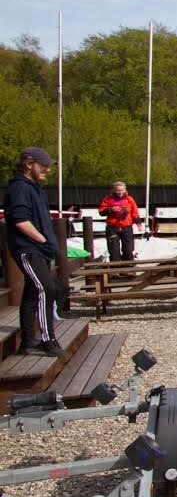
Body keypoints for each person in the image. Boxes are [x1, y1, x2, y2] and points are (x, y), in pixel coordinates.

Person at [4, 147, 64, 357]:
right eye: (44, 166)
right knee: (46, 288)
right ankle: (48, 340)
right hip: (28, 249)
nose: (47, 170)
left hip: (39, 250)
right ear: (29, 164)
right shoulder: (19, 188)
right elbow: (20, 220)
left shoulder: (34, 187)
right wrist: (43, 239)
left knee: (33, 291)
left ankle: (28, 341)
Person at [97, 181, 140, 262]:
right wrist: (111, 209)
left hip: (126, 227)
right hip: (112, 227)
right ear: (114, 190)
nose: (120, 192)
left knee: (128, 249)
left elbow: (135, 212)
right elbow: (101, 212)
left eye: (122, 190)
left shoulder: (129, 199)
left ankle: (128, 268)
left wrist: (138, 224)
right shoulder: (108, 199)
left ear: (125, 190)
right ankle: (115, 270)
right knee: (114, 250)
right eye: (118, 190)